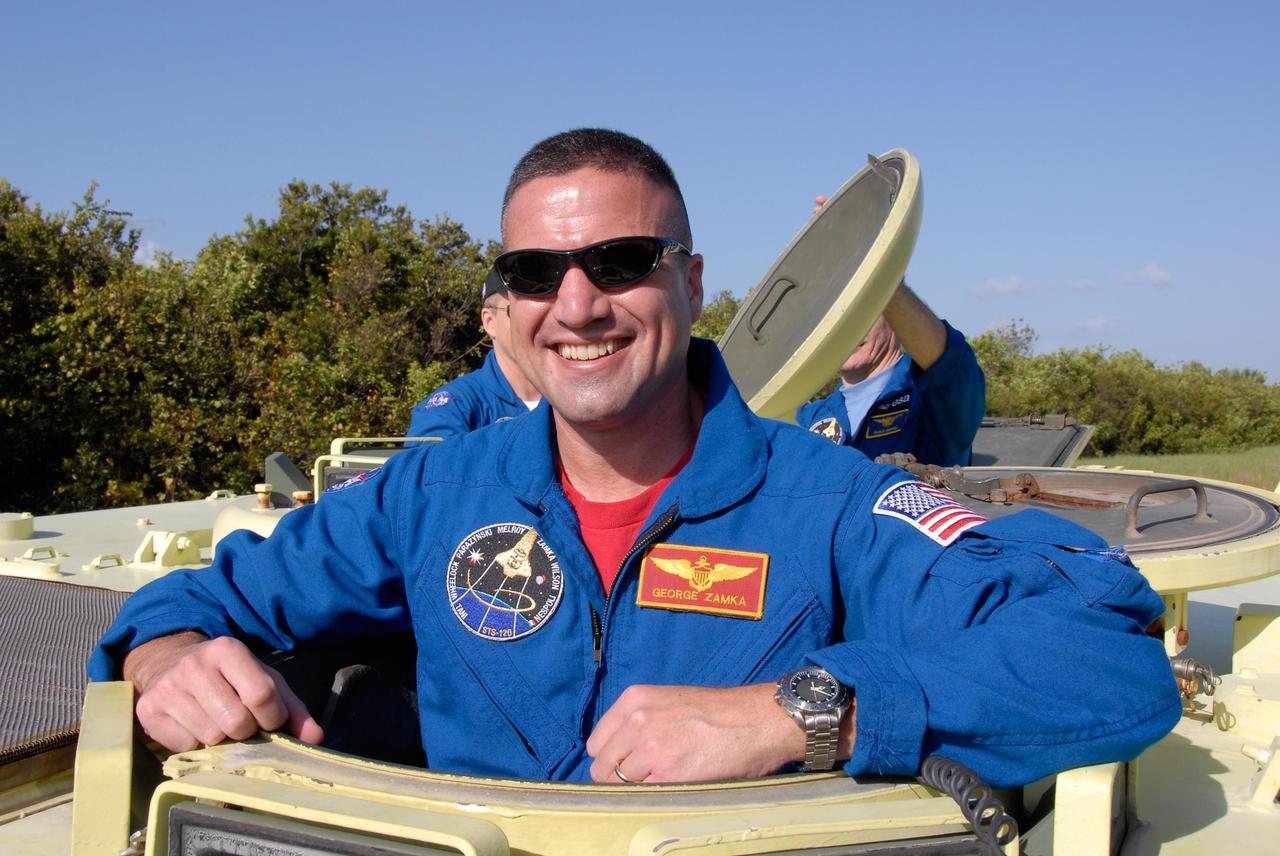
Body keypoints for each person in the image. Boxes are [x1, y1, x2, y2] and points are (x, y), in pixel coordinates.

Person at [90, 129, 1178, 789]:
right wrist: (166, 656)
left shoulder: (831, 502)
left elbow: (1104, 653)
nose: (575, 305)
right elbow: (188, 601)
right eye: (534, 272)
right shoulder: (431, 492)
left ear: (692, 284)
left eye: (618, 261)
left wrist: (797, 713)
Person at [796, 198, 985, 466]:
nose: (848, 325)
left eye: (863, 308)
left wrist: (877, 265)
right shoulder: (808, 418)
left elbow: (951, 366)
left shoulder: (931, 400)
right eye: (836, 313)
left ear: (894, 316)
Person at [406, 268, 541, 438]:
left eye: (538, 309)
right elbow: (426, 453)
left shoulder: (568, 397)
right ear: (489, 322)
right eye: (515, 311)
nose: (530, 321)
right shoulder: (456, 405)